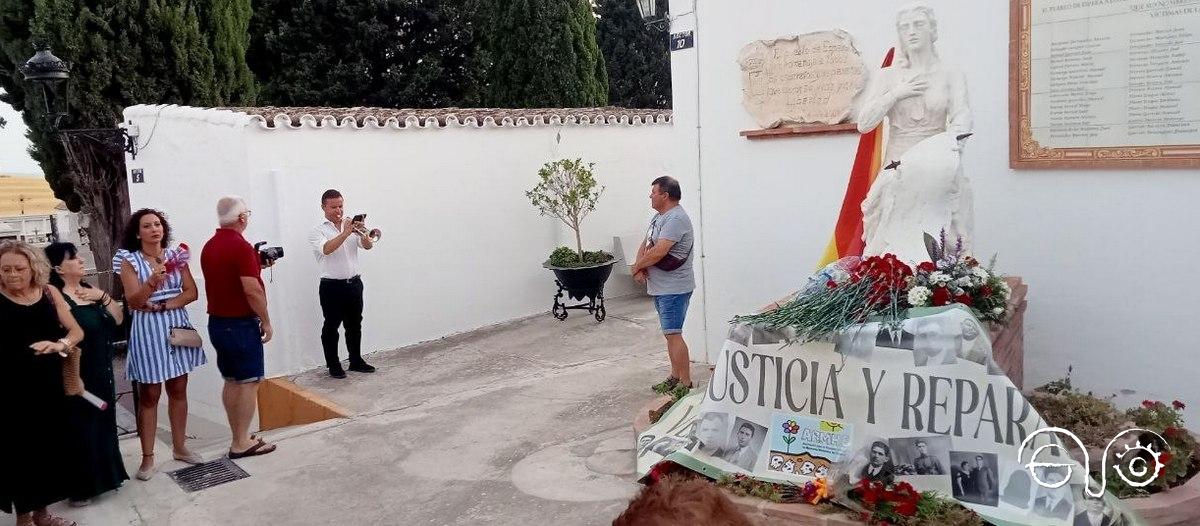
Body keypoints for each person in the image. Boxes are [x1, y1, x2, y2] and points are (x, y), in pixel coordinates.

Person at [856, 2, 975, 263]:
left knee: (945, 220)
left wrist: (948, 151)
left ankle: (943, 279)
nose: (912, 31)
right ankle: (889, 276)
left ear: (932, 30)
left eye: (919, 24)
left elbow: (962, 117)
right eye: (905, 27)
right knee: (886, 215)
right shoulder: (888, 77)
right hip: (899, 156)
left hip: (938, 156)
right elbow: (864, 123)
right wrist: (897, 94)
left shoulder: (950, 74)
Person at [114, 208, 205, 480]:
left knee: (179, 388)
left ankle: (180, 447)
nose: (154, 229)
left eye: (158, 224)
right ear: (137, 232)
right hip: (147, 327)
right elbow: (134, 301)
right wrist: (153, 281)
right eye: (147, 225)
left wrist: (165, 304)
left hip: (176, 321)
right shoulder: (128, 260)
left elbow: (191, 292)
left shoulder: (177, 255)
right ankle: (148, 457)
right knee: (150, 393)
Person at [1, 241, 85, 526]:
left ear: (33, 268)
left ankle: (42, 514)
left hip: (49, 385)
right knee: (21, 455)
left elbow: (76, 331)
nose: (11, 275)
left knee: (51, 450)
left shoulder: (49, 293)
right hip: (10, 390)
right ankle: (23, 519)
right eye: (5, 269)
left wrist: (58, 343)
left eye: (18, 269)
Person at [44, 242, 129, 505]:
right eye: (74, 258)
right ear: (58, 267)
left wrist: (103, 298)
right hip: (79, 369)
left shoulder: (89, 289)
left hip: (102, 367)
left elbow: (117, 319)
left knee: (104, 423)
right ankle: (82, 487)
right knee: (82, 427)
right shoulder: (56, 296)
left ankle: (108, 477)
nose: (81, 261)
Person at [200, 196, 278, 459]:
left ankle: (238, 436)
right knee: (249, 382)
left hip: (218, 323)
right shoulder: (241, 247)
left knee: (232, 381)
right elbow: (252, 290)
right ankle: (241, 442)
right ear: (242, 218)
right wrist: (265, 320)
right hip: (241, 324)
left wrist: (256, 263)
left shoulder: (209, 247)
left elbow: (227, 277)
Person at [631, 176, 696, 392]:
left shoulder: (676, 219)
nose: (650, 195)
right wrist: (639, 266)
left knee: (673, 333)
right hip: (662, 288)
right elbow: (647, 243)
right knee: (669, 334)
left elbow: (660, 251)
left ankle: (685, 384)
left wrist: (636, 267)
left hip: (674, 288)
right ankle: (675, 376)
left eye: (654, 192)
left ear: (665, 195)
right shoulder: (659, 217)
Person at [307, 189, 375, 379]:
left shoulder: (351, 226)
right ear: (323, 207)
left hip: (354, 283)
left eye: (341, 206)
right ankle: (334, 365)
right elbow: (327, 249)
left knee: (355, 324)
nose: (338, 211)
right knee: (331, 326)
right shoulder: (318, 231)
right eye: (334, 207)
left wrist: (362, 233)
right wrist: (346, 233)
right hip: (332, 287)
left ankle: (356, 360)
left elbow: (368, 246)